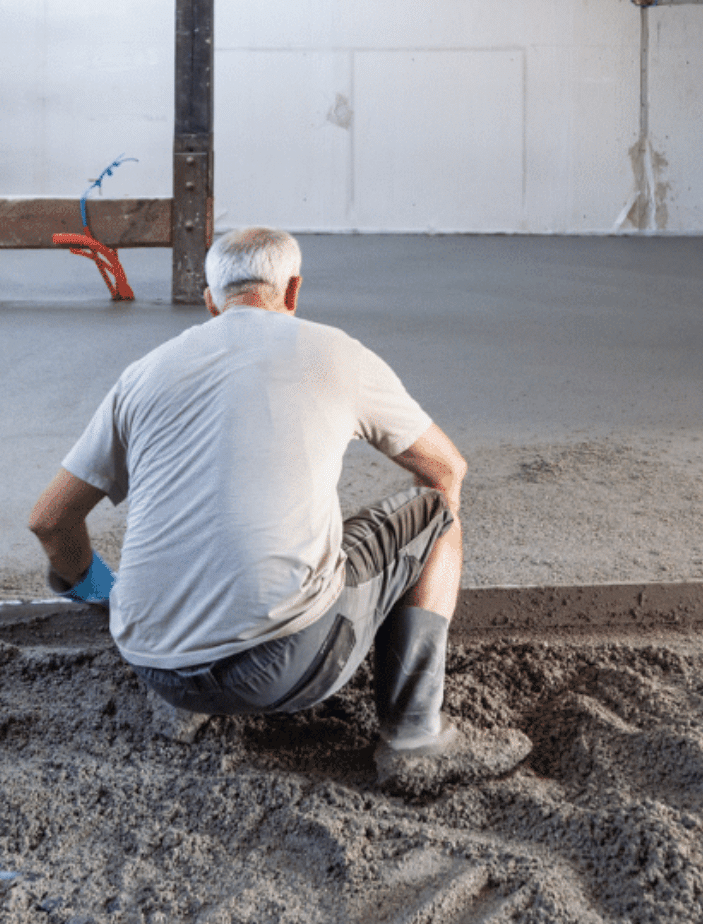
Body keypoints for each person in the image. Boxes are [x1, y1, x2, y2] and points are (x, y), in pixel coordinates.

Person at [29, 227, 530, 795]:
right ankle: (415, 735)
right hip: (285, 667)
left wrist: (97, 589)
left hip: (155, 667)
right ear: (292, 292)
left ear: (210, 300)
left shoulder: (143, 374)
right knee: (437, 512)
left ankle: (191, 703)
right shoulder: (336, 352)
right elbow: (446, 469)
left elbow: (50, 521)